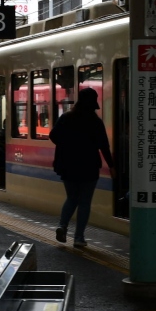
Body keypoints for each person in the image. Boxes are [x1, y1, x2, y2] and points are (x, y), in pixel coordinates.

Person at [49, 87, 114, 248]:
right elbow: (104, 146)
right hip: (89, 166)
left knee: (72, 198)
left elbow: (53, 136)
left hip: (68, 165)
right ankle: (78, 238)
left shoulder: (66, 118)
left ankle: (62, 226)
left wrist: (67, 146)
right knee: (84, 202)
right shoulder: (95, 122)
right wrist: (112, 166)